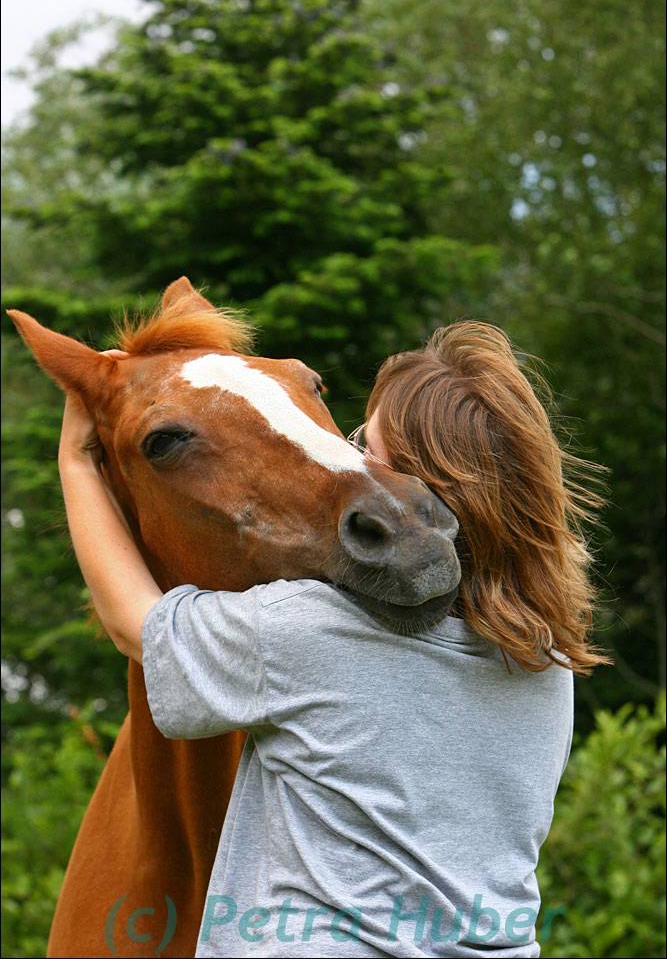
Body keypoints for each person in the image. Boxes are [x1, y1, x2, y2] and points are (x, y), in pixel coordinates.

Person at [57, 322, 608, 958]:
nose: (349, 464)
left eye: (361, 446)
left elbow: (137, 624)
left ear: (415, 492)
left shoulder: (310, 632)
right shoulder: (547, 658)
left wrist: (76, 459)